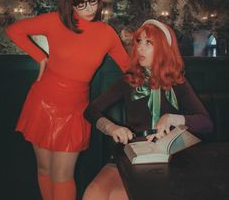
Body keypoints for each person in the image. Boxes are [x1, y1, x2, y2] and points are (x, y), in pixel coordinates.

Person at [5, 0, 130, 200]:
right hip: (43, 101)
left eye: (93, 1)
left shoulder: (106, 33)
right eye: (81, 4)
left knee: (62, 174)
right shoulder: (55, 20)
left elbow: (128, 69)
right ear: (69, 4)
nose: (89, 9)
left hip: (74, 109)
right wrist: (40, 56)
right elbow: (13, 30)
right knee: (44, 169)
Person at [83, 19, 213, 200]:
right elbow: (91, 110)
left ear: (163, 49)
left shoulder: (178, 83)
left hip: (168, 158)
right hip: (131, 154)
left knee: (117, 196)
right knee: (92, 193)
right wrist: (111, 128)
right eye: (139, 41)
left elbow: (206, 123)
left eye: (148, 43)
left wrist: (173, 118)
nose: (140, 48)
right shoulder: (129, 80)